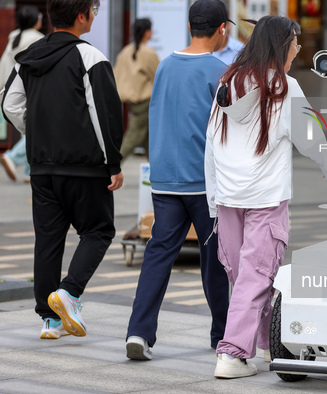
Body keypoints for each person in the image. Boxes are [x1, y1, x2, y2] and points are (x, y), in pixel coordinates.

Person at [205, 15, 327, 378]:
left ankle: (264, 343)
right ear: (282, 45)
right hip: (265, 198)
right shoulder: (285, 86)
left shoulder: (228, 83)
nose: (298, 49)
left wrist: (213, 199)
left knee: (246, 276)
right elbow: (310, 136)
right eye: (295, 43)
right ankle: (232, 354)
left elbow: (210, 144)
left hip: (230, 198)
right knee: (257, 276)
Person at [2, 0, 124, 340]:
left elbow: (9, 103)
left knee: (49, 240)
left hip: (42, 167)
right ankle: (69, 293)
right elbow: (104, 115)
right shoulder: (90, 57)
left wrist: (37, 129)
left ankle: (49, 320)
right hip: (84, 166)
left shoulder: (29, 56)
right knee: (98, 231)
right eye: (94, 12)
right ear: (83, 16)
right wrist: (112, 163)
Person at [125, 0, 230, 361]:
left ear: (189, 26)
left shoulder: (166, 65)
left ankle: (139, 332)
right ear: (222, 30)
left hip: (165, 179)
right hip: (204, 182)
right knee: (214, 257)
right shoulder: (221, 72)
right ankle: (222, 337)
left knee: (158, 254)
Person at [0, 5, 44, 182]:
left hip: (9, 91)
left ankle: (29, 171)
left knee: (30, 127)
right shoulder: (38, 39)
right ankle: (12, 157)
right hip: (25, 90)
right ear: (35, 21)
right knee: (35, 128)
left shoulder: (14, 38)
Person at [113, 18, 159, 161]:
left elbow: (116, 75)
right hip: (145, 101)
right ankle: (112, 167)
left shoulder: (125, 51)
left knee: (147, 137)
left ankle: (156, 171)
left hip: (131, 101)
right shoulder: (148, 53)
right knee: (134, 137)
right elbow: (158, 76)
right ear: (147, 32)